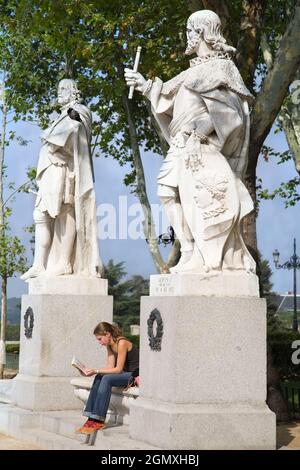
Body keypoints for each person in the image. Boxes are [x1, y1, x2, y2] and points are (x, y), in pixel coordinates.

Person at [124, 10, 256, 274]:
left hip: (201, 147)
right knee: (165, 192)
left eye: (189, 31)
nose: (186, 36)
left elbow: (230, 115)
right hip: (182, 145)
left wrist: (199, 133)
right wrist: (144, 85)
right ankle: (188, 250)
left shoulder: (221, 68)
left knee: (195, 199)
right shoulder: (192, 72)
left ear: (203, 33)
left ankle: (202, 254)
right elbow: (169, 101)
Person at [21, 78, 102, 280]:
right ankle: (39, 264)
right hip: (50, 169)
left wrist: (72, 125)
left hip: (64, 169)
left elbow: (80, 130)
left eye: (64, 89)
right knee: (41, 216)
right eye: (58, 89)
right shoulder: (60, 115)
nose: (60, 92)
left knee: (65, 210)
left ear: (74, 92)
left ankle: (65, 262)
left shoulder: (79, 111)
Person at [76, 322, 139, 434]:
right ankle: (91, 418)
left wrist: (96, 370)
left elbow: (118, 369)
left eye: (100, 339)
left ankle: (99, 419)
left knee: (106, 379)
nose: (99, 342)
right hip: (124, 374)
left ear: (108, 334)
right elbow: (110, 367)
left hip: (133, 375)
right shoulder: (109, 345)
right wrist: (90, 372)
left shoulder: (122, 343)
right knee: (100, 376)